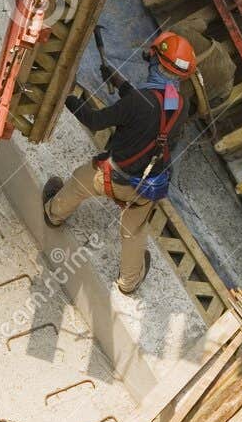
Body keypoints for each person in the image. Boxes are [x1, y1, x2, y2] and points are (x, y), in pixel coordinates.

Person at [41, 31, 197, 295]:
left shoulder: (138, 102)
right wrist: (121, 84)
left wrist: (68, 96)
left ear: (155, 62)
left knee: (79, 182)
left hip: (112, 177)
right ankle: (129, 282)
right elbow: (155, 109)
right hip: (147, 188)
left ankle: (54, 215)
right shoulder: (180, 104)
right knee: (134, 232)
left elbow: (94, 119)